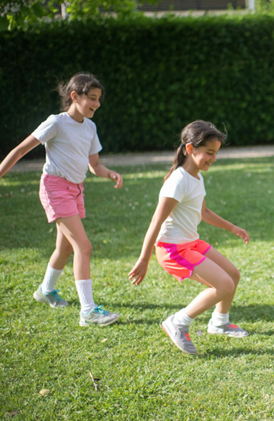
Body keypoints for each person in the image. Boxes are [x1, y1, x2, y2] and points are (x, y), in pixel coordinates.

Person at [0, 73, 122, 326]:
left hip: (76, 189)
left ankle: (45, 291)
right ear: (74, 96)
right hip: (55, 187)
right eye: (92, 98)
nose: (97, 104)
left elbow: (94, 165)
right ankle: (88, 311)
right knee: (84, 247)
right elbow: (21, 149)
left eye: (99, 99)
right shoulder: (56, 123)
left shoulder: (90, 127)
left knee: (66, 247)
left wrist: (109, 173)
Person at [128, 120, 250, 355]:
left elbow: (203, 212)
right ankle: (178, 322)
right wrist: (144, 259)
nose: (213, 159)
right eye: (209, 153)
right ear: (190, 149)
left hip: (191, 242)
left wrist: (232, 227)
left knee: (233, 275)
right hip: (172, 248)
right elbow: (156, 221)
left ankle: (219, 323)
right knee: (223, 285)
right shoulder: (178, 181)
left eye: (215, 154)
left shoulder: (196, 176)